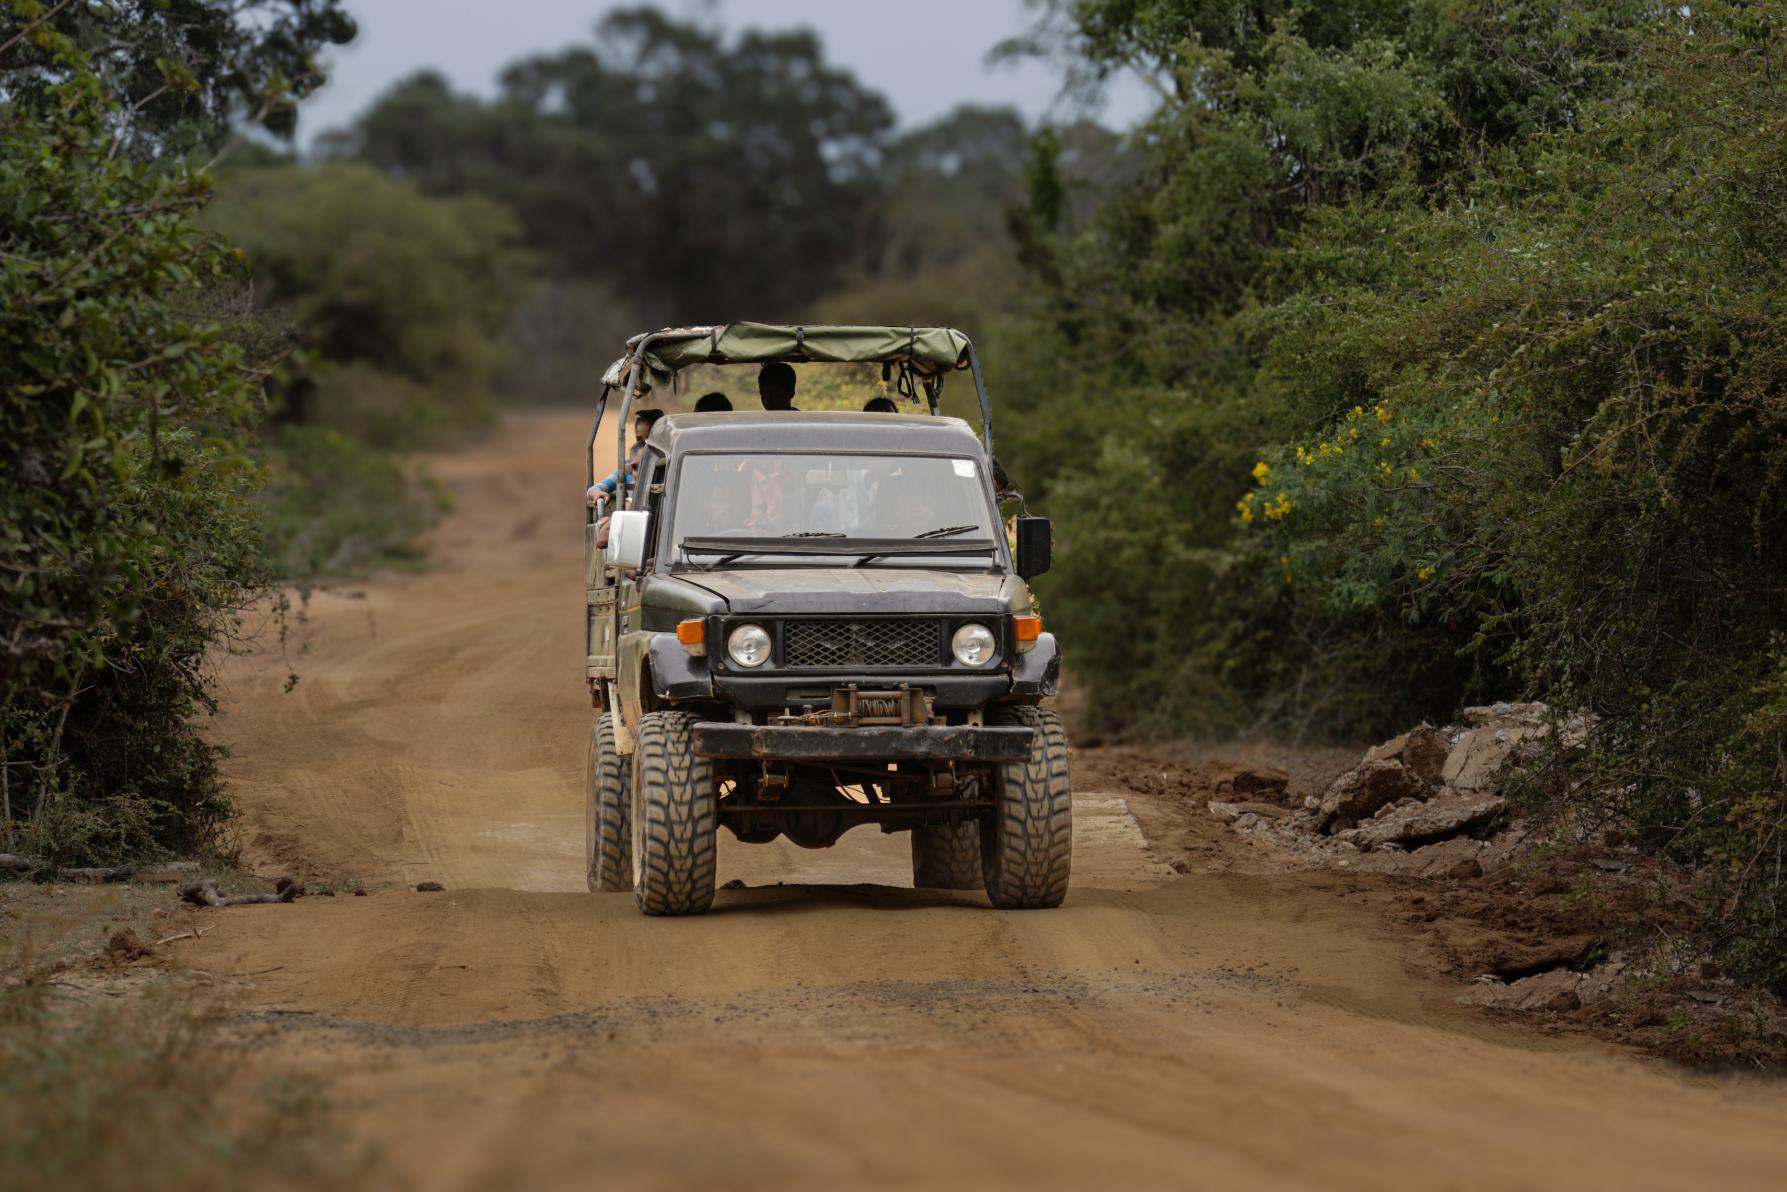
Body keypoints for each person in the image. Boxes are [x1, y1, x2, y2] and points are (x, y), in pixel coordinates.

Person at [588, 408, 664, 509]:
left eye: (649, 438)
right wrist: (599, 493)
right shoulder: (629, 468)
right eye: (639, 439)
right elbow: (595, 489)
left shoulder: (666, 465)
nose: (644, 444)